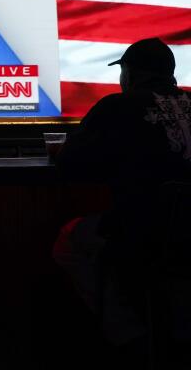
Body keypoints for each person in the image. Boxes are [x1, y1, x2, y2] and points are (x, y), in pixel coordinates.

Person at [53, 38, 191, 351]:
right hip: (185, 238)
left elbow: (69, 164)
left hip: (142, 236)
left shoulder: (117, 106)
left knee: (70, 242)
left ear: (129, 74)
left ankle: (129, 335)